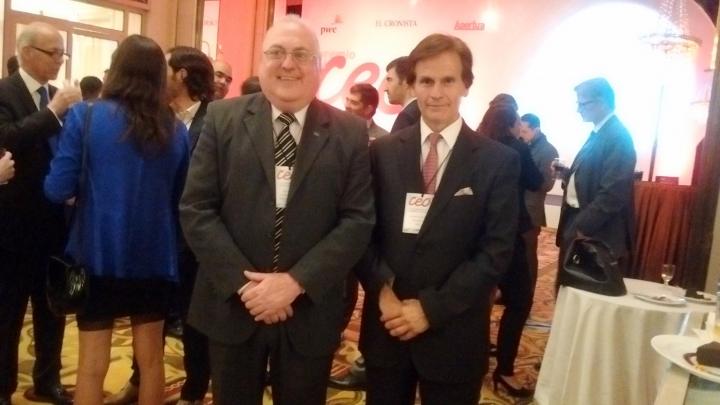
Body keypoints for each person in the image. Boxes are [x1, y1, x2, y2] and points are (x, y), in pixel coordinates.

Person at [179, 15, 374, 405]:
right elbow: (196, 208)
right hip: (233, 305)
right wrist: (249, 287)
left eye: (301, 54)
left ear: (319, 66)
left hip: (309, 309)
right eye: (277, 52)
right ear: (261, 61)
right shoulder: (221, 118)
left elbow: (357, 220)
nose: (288, 64)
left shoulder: (349, 131)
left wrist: (294, 282)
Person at [358, 33, 520, 405]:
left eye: (448, 81)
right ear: (413, 84)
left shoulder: (497, 161)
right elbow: (362, 231)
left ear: (466, 84)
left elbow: (495, 252)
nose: (436, 93)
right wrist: (382, 292)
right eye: (426, 81)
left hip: (454, 333)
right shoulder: (381, 152)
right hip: (388, 325)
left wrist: (431, 310)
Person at [44, 34, 189, 405]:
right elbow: (182, 197)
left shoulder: (86, 116)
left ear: (116, 68)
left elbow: (56, 189)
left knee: (91, 365)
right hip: (156, 255)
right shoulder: (176, 129)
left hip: (96, 252)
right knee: (151, 362)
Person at [105, 45, 214, 405]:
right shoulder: (151, 117)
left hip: (195, 244)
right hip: (155, 240)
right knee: (148, 322)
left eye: (164, 67)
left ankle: (193, 392)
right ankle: (138, 382)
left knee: (195, 323)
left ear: (182, 75)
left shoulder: (216, 120)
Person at [0, 21, 81, 405]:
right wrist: (53, 111)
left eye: (63, 53)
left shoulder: (55, 95)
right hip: (12, 226)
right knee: (8, 314)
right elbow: (8, 138)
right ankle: (3, 387)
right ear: (27, 52)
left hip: (54, 224)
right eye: (54, 53)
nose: (60, 60)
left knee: (53, 309)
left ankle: (48, 380)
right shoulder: (5, 91)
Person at [478, 104, 543, 397]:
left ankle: (475, 359)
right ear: (511, 122)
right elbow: (535, 181)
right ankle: (504, 369)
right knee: (520, 302)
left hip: (475, 233)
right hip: (508, 233)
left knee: (477, 299)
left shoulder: (476, 145)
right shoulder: (516, 149)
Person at [556, 77, 636, 282]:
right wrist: (567, 175)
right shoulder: (600, 132)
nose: (578, 109)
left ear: (601, 102)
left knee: (583, 291)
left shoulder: (618, 136)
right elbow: (591, 177)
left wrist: (582, 227)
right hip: (581, 221)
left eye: (583, 103)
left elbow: (613, 193)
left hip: (596, 230)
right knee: (569, 287)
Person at [519, 113, 558, 284]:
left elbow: (547, 184)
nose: (521, 135)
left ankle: (528, 291)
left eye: (525, 131)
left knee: (528, 256)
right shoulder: (522, 146)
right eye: (520, 131)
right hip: (518, 209)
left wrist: (527, 176)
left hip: (531, 211)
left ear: (537, 130)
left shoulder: (548, 151)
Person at [386, 56, 420, 132]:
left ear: (406, 81)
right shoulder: (423, 112)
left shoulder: (407, 117)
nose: (385, 89)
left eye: (390, 80)